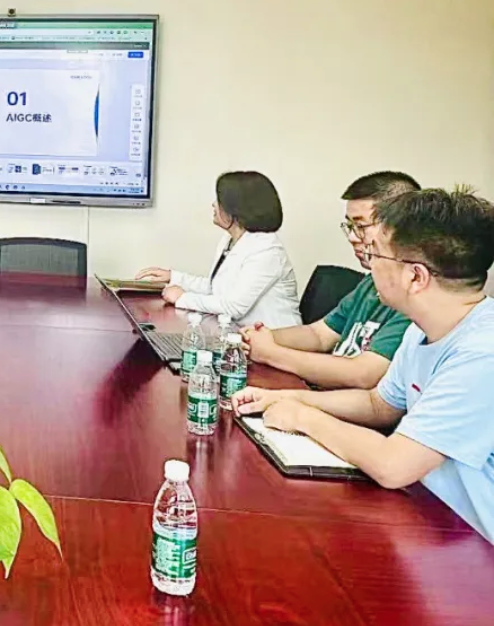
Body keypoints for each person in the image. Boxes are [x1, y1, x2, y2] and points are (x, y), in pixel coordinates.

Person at [233, 187, 494, 542]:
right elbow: (378, 404)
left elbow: (394, 465)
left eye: (376, 253)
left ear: (415, 277)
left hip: (473, 545)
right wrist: (285, 398)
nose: (369, 264)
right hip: (429, 518)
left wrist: (303, 417)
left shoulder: (482, 353)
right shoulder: (422, 329)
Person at [244, 172, 419, 388]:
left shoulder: (415, 298)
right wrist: (260, 337)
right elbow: (319, 335)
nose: (352, 237)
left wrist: (271, 353)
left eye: (361, 227)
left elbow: (363, 374)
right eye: (350, 227)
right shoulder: (370, 282)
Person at [137, 171, 301, 328]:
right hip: (241, 333)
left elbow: (234, 307)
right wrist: (174, 277)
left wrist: (183, 298)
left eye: (219, 201)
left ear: (237, 209)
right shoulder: (230, 240)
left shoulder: (267, 250)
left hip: (276, 338)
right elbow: (216, 288)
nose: (214, 205)